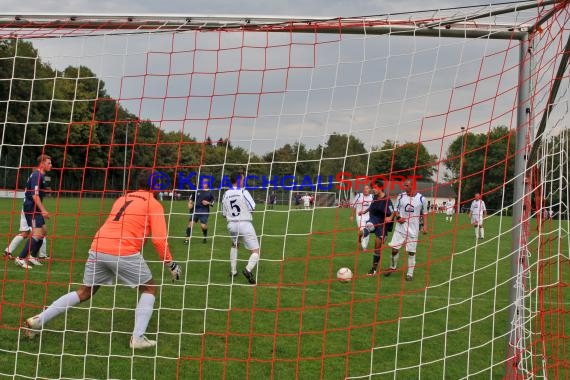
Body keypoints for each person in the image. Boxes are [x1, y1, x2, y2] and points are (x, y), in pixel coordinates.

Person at [22, 170, 182, 349]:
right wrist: (170, 263)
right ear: (156, 187)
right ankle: (137, 338)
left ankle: (38, 320)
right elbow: (159, 240)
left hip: (98, 246)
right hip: (122, 249)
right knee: (149, 288)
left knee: (84, 292)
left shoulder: (122, 198)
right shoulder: (154, 204)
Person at [384, 178, 428, 281]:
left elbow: (425, 213)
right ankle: (392, 267)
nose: (405, 187)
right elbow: (396, 209)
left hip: (413, 230)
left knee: (411, 252)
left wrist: (425, 226)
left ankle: (410, 273)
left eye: (407, 185)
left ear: (413, 186)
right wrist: (396, 218)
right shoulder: (401, 196)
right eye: (404, 185)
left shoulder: (422, 199)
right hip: (400, 228)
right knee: (394, 249)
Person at [221, 173, 261, 285]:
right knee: (256, 251)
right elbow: (253, 207)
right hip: (244, 224)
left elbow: (223, 214)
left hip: (231, 225)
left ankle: (233, 271)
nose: (244, 181)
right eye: (243, 179)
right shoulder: (243, 191)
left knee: (235, 244)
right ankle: (248, 270)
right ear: (239, 181)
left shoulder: (226, 194)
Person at [14, 154, 52, 269]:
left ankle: (32, 256)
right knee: (37, 234)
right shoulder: (37, 175)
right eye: (48, 163)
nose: (51, 165)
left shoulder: (41, 175)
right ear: (42, 163)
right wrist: (44, 210)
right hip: (31, 208)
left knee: (43, 232)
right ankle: (20, 258)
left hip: (35, 208)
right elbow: (35, 196)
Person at [359, 179, 394, 276]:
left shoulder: (387, 200)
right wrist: (364, 212)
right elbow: (371, 207)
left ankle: (373, 269)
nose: (373, 190)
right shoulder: (374, 197)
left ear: (381, 188)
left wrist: (389, 217)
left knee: (377, 246)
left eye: (375, 188)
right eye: (372, 188)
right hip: (374, 220)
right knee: (368, 226)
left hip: (383, 225)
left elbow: (393, 212)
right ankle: (364, 232)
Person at [184, 180, 215, 244]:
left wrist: (208, 202)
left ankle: (205, 236)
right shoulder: (197, 191)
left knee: (203, 226)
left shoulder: (210, 193)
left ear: (207, 184)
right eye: (203, 183)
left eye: (205, 183)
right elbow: (191, 198)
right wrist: (190, 203)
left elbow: (213, 203)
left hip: (204, 211)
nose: (204, 184)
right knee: (190, 224)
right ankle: (186, 239)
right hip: (196, 210)